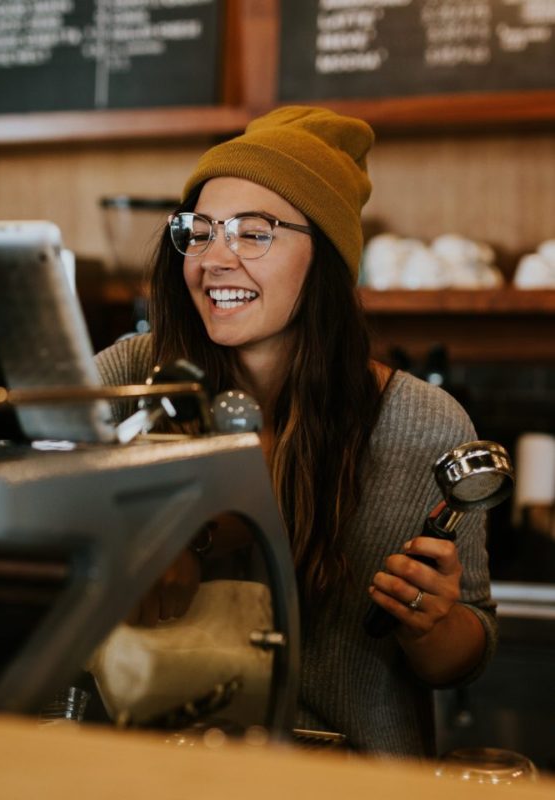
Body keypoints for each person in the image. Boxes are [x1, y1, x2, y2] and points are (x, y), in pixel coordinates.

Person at [94, 106, 497, 758]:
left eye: (254, 234)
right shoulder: (125, 381)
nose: (214, 259)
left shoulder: (420, 422)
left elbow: (462, 657)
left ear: (326, 260)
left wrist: (432, 624)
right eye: (198, 231)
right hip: (139, 768)